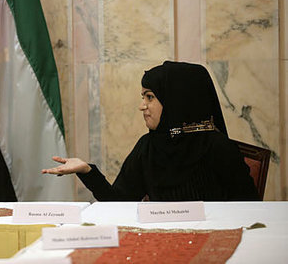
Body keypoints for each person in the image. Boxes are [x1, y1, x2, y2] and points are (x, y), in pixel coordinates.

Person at [42, 61, 259, 201]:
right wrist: (86, 171)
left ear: (175, 100)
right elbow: (120, 203)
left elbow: (248, 209)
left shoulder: (217, 147)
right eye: (143, 97)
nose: (142, 106)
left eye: (150, 97)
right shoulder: (148, 146)